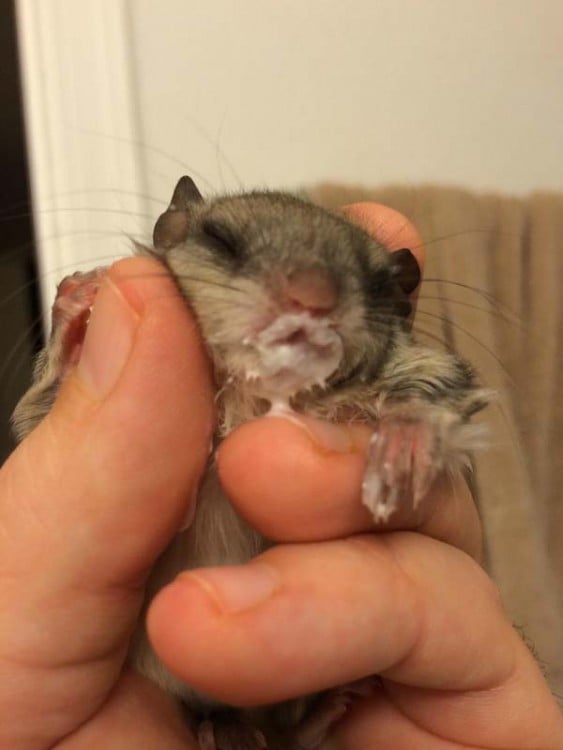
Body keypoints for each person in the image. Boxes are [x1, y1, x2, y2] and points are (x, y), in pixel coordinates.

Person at [1, 203, 561, 750]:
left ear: (392, 309)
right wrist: (73, 351)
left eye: (358, 282)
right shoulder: (141, 343)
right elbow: (36, 423)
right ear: (172, 244)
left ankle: (294, 722)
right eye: (227, 246)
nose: (310, 299)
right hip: (134, 668)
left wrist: (413, 425)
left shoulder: (372, 376)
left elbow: (448, 388)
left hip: (277, 690)